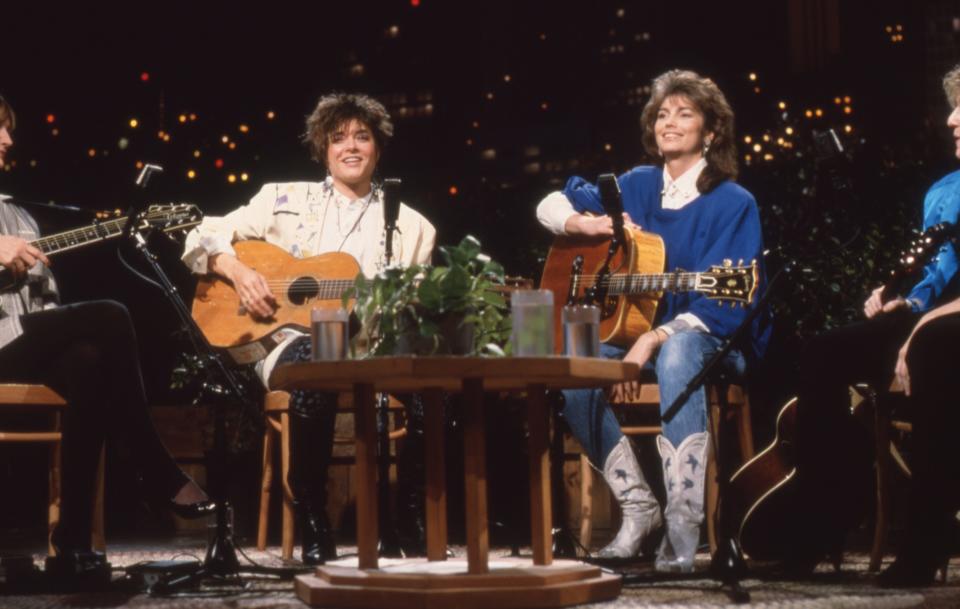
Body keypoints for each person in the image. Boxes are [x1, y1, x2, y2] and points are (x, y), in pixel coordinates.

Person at [182, 93, 436, 564]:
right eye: (338, 138)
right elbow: (200, 234)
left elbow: (412, 305)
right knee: (319, 357)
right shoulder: (281, 200)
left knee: (431, 376)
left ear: (379, 147)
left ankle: (412, 514)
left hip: (373, 347)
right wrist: (239, 271)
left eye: (363, 137)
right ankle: (312, 515)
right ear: (323, 148)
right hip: (287, 345)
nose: (351, 147)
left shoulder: (412, 225)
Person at [536, 70, 769, 572]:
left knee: (679, 352)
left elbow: (726, 304)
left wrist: (656, 339)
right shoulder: (636, 186)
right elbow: (548, 205)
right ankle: (640, 510)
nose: (670, 122)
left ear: (710, 132)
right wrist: (590, 223)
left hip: (709, 342)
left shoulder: (734, 202)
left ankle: (683, 526)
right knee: (574, 364)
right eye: (662, 114)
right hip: (628, 335)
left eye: (685, 113)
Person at [0, 95, 214, 581]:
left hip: (14, 343)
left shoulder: (19, 216)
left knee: (90, 360)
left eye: (9, 129)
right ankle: (155, 470)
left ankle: (73, 546)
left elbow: (42, 307)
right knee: (111, 314)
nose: (9, 140)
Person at [792, 65, 960, 587]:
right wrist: (899, 298)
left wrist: (919, 328)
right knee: (823, 351)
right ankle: (832, 513)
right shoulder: (943, 192)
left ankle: (926, 542)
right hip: (934, 317)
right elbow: (936, 272)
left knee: (933, 346)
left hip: (945, 331)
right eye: (953, 106)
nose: (952, 118)